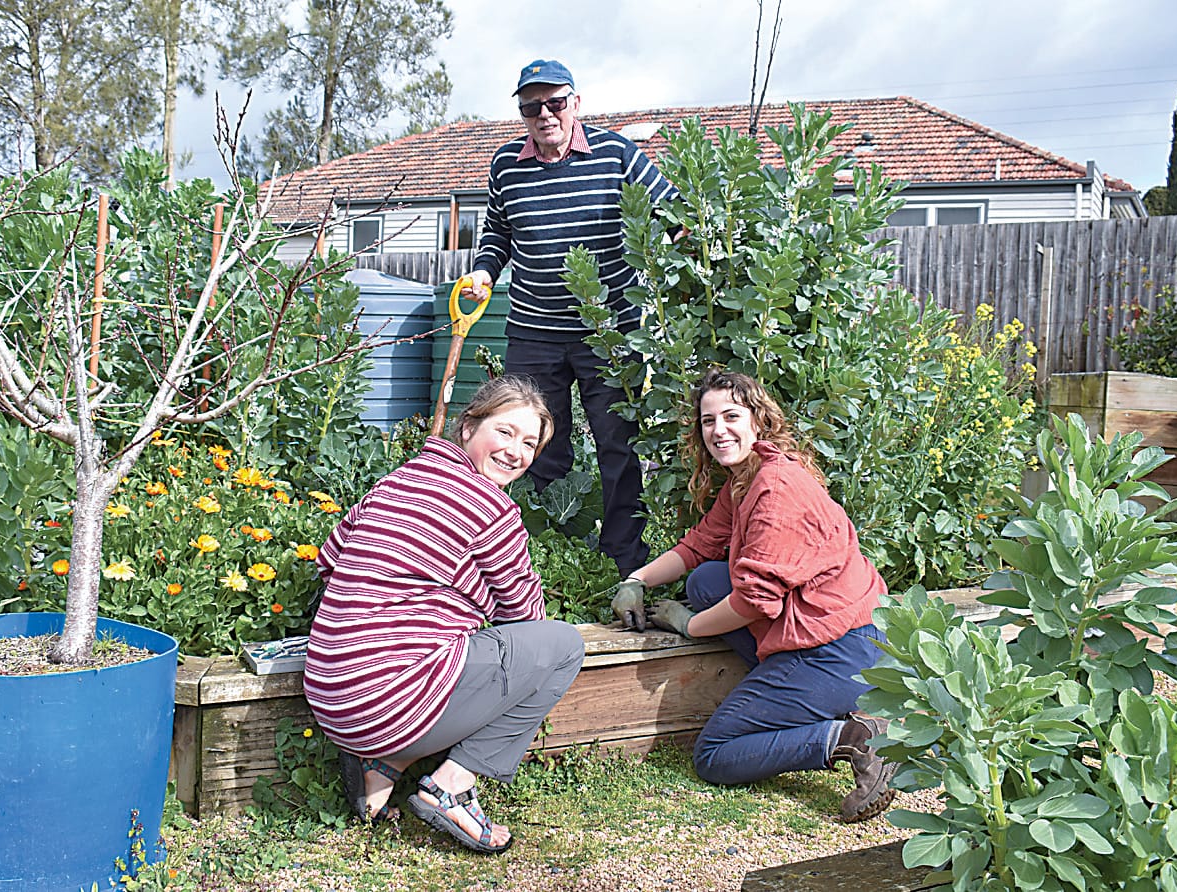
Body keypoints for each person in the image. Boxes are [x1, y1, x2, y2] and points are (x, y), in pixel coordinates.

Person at [304, 376, 585, 854]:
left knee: (439, 651)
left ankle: (380, 767)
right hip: (387, 699)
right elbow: (525, 618)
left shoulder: (398, 480)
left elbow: (329, 559)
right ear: (468, 428)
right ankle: (451, 785)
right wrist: (474, 599)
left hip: (327, 694)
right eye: (505, 431)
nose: (515, 451)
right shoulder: (493, 510)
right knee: (562, 648)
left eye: (529, 443)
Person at [611, 369, 897, 823]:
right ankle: (800, 688)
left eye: (730, 416)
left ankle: (852, 738)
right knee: (706, 580)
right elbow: (699, 545)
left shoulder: (776, 489)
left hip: (838, 649)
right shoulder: (751, 476)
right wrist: (636, 581)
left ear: (758, 420)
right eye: (708, 421)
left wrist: (687, 624)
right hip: (838, 631)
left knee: (716, 754)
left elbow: (753, 603)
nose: (718, 430)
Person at [462, 58, 678, 576]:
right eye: (531, 107)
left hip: (608, 332)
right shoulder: (505, 166)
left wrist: (684, 255)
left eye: (555, 103)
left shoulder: (619, 156)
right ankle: (536, 553)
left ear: (575, 104)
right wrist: (485, 271)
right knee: (534, 444)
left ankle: (624, 561)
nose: (544, 115)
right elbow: (497, 232)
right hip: (534, 333)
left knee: (617, 446)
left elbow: (675, 213)